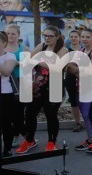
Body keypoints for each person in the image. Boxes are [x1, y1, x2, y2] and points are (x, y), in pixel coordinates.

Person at [16, 25, 68, 154]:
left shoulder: (63, 50)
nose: (47, 38)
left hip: (54, 87)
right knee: (29, 114)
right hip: (38, 87)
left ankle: (51, 142)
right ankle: (29, 140)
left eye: (50, 36)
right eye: (45, 35)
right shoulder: (42, 46)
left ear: (57, 37)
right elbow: (29, 59)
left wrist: (38, 61)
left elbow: (56, 67)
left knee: (51, 115)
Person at [0, 31, 19, 157]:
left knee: (5, 123)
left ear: (4, 43)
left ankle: (7, 149)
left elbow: (6, 72)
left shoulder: (10, 56)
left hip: (4, 94)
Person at [64, 29, 83, 132]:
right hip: (70, 78)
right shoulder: (66, 50)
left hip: (82, 78)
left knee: (84, 100)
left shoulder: (84, 50)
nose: (73, 38)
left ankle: (89, 120)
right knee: (73, 101)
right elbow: (64, 66)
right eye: (71, 36)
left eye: (75, 36)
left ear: (79, 38)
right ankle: (77, 122)